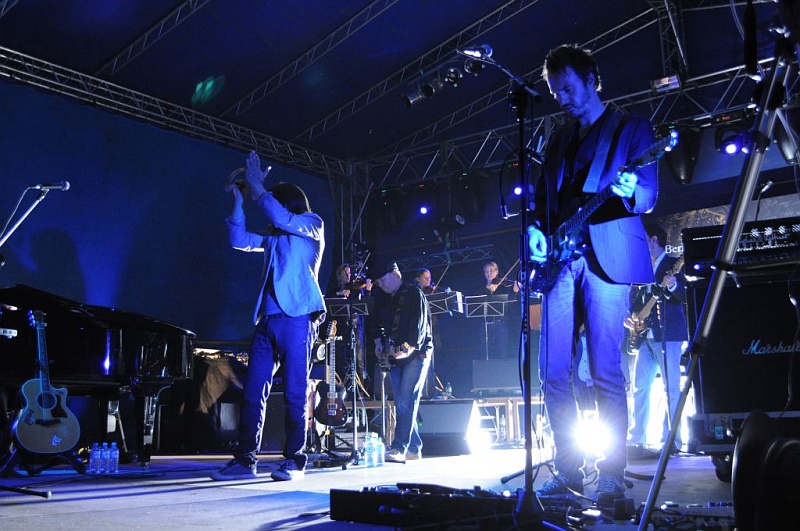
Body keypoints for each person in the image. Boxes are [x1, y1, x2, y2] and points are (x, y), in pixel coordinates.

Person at [526, 44, 658, 502]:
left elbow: (649, 195)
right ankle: (565, 468)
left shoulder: (631, 128)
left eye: (567, 88)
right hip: (561, 262)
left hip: (607, 261)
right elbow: (543, 202)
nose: (560, 98)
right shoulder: (558, 139)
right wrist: (536, 232)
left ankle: (611, 475)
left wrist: (632, 187)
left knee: (606, 371)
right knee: (552, 373)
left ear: (591, 80)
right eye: (553, 91)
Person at [212, 151, 326, 482]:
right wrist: (239, 199)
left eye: (273, 201)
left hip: (297, 319)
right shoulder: (275, 237)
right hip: (267, 321)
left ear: (287, 201)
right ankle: (245, 460)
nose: (267, 205)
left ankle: (294, 460)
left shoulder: (312, 224)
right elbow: (238, 239)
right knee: (252, 391)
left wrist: (260, 187)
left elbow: (282, 218)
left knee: (294, 391)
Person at [625, 223, 687, 460]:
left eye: (642, 239)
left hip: (668, 333)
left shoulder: (672, 263)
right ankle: (636, 439)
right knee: (640, 387)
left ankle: (672, 440)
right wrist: (631, 318)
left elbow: (683, 293)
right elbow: (637, 300)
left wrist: (673, 285)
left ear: (653, 239)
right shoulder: (641, 268)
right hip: (645, 336)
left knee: (671, 389)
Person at [369, 261, 433, 462]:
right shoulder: (382, 297)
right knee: (402, 402)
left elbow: (419, 328)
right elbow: (375, 321)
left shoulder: (414, 294)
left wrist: (407, 348)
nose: (380, 284)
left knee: (406, 400)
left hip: (417, 353)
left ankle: (399, 447)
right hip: (395, 354)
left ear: (395, 274)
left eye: (382, 279)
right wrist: (379, 342)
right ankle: (414, 447)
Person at [474, 261, 519, 359]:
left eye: (491, 271)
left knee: (502, 353)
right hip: (485, 324)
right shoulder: (480, 288)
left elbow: (508, 306)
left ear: (497, 272)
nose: (488, 274)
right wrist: (487, 289)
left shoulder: (502, 287)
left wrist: (515, 292)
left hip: (500, 324)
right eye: (486, 272)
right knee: (484, 354)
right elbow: (475, 299)